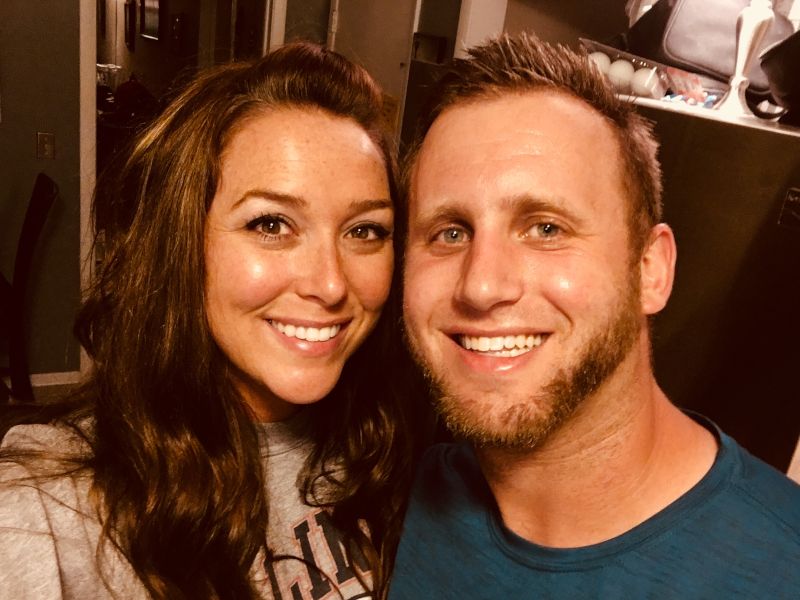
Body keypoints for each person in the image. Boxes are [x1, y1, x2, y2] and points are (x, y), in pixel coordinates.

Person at [0, 42, 424, 600]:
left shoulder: (401, 441)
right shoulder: (43, 509)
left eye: (365, 230)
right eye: (271, 224)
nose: (330, 284)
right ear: (183, 243)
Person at [390, 32, 800, 598]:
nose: (481, 286)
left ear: (650, 270)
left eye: (546, 228)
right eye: (450, 233)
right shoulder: (391, 504)